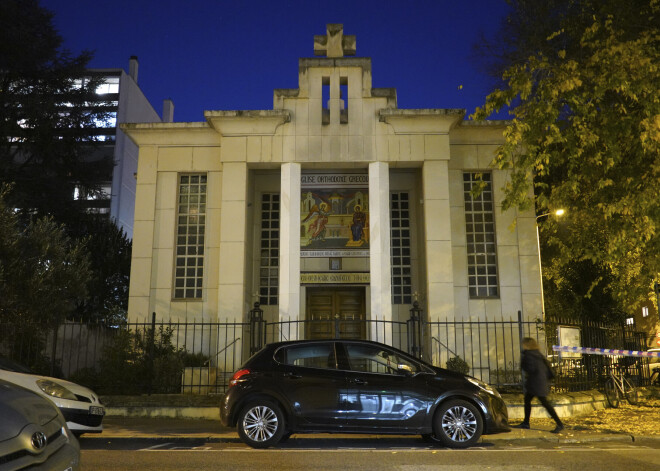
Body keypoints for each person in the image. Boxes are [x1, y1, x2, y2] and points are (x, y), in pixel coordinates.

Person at [513, 337, 564, 433]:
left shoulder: (529, 355)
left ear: (527, 345)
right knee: (528, 400)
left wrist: (523, 362)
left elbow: (530, 369)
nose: (522, 346)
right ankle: (526, 422)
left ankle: (559, 424)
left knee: (545, 403)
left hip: (535, 383)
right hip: (541, 382)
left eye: (523, 344)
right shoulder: (538, 354)